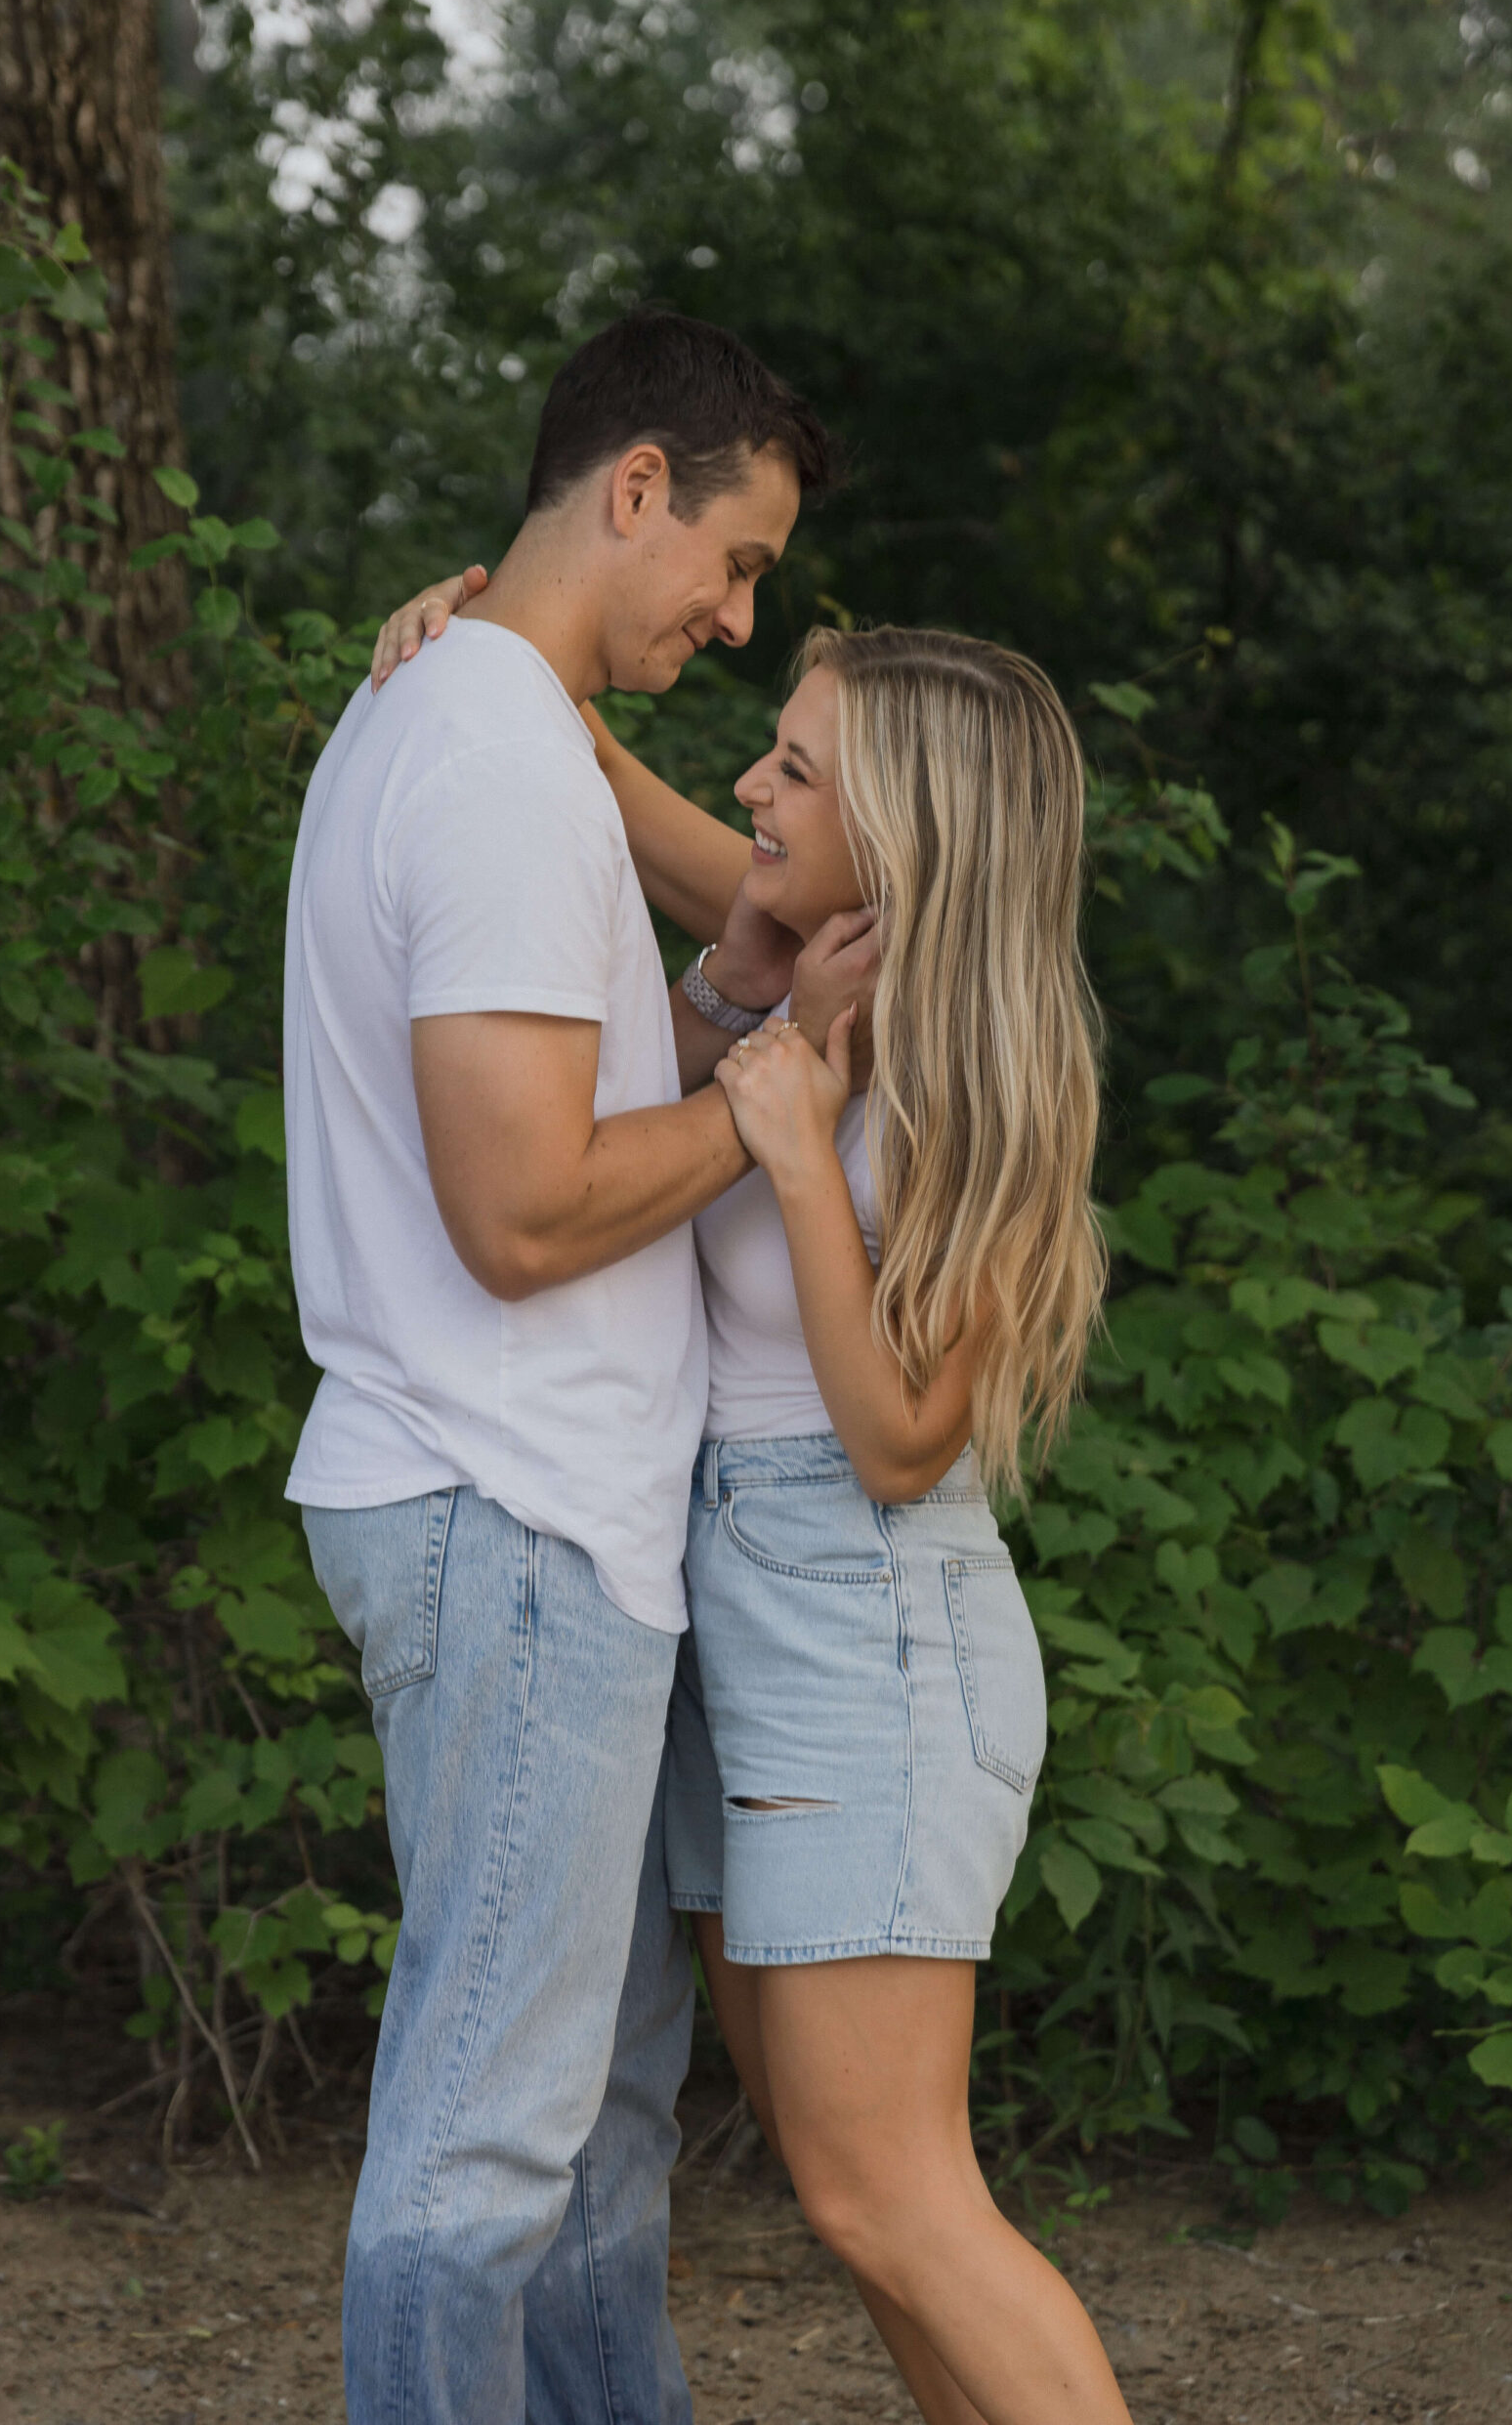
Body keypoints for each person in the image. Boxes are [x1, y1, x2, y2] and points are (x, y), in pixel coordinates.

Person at [374, 581, 1132, 2420]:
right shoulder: (830, 944)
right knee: (852, 2194)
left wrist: (790, 1149)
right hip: (755, 1610)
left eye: (795, 767)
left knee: (896, 2193)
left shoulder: (967, 1067)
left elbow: (900, 1441)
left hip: (867, 1618)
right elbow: (616, 785)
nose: (756, 787)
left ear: (911, 831)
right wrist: (493, 651)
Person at [284, 306, 855, 2424]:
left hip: (552, 1529)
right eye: (732, 560)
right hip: (505, 1504)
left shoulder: (491, 733)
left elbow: (610, 1076)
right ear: (635, 485)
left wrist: (733, 1026)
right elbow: (518, 1207)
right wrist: (781, 1094)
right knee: (485, 2143)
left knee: (592, 2130)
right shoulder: (493, 759)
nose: (731, 614)